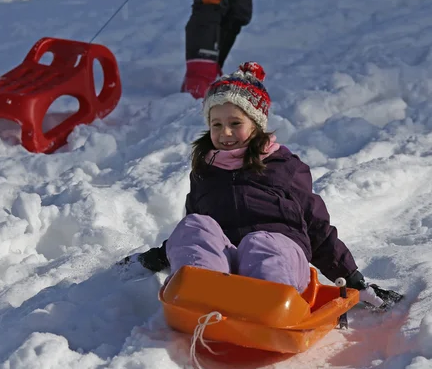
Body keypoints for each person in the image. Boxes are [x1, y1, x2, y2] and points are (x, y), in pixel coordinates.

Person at [124, 61, 403, 310]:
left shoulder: (285, 167)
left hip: (279, 264)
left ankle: (266, 302)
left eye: (236, 122)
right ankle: (200, 295)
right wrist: (156, 257)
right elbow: (198, 236)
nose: (226, 133)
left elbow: (317, 229)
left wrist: (355, 281)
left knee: (260, 242)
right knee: (194, 224)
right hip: (226, 272)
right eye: (216, 124)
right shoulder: (205, 172)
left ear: (256, 124)